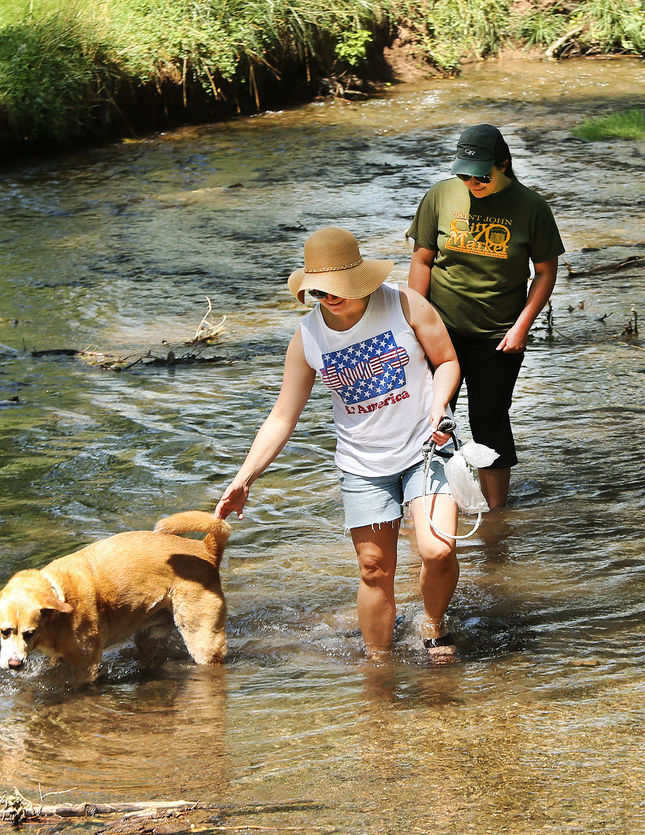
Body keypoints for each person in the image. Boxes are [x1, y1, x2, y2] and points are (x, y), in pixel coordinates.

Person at [215, 227, 463, 660]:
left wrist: (440, 404)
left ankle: (433, 625)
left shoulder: (404, 303)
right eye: (320, 290)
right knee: (373, 569)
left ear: (361, 278)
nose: (329, 298)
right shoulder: (308, 337)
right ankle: (378, 664)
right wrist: (244, 478)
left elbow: (446, 361)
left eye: (339, 289)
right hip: (362, 464)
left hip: (426, 445)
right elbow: (282, 415)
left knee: (437, 549)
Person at [406, 123, 566, 509]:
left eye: (481, 176)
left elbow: (545, 271)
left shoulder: (532, 208)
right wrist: (412, 321)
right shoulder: (441, 196)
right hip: (440, 330)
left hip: (498, 336)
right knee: (430, 418)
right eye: (464, 174)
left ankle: (496, 517)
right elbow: (422, 259)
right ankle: (427, 503)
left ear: (504, 165)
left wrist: (521, 327)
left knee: (489, 421)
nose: (471, 182)